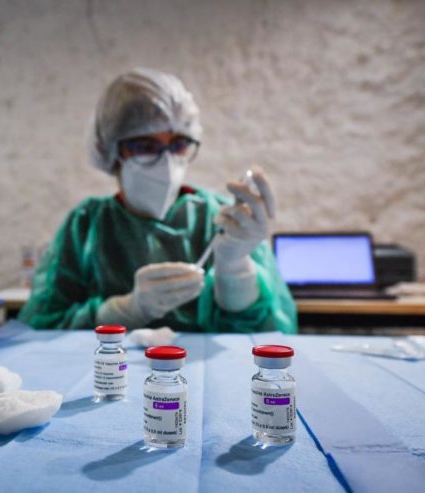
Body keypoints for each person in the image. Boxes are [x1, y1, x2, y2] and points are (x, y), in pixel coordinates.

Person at [18, 68, 296, 333]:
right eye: (145, 146)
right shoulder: (86, 224)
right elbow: (41, 325)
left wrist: (235, 270)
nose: (166, 162)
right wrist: (124, 311)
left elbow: (271, 333)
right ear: (111, 151)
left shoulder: (225, 221)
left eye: (179, 144)